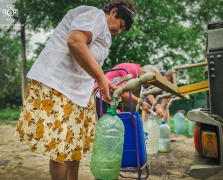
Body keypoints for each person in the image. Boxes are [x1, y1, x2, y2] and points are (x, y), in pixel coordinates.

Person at [15, 1, 136, 180]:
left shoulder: (105, 34)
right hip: (58, 85)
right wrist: (101, 78)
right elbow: (74, 41)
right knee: (61, 147)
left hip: (79, 92)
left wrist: (102, 79)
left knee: (74, 145)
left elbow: (90, 62)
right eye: (121, 25)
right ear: (113, 12)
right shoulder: (94, 15)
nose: (119, 31)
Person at [93, 63, 159, 119]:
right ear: (144, 73)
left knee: (121, 120)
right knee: (104, 123)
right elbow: (124, 93)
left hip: (114, 96)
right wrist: (141, 102)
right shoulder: (133, 71)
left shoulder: (137, 76)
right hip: (101, 92)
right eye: (148, 82)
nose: (147, 84)